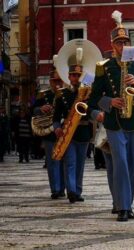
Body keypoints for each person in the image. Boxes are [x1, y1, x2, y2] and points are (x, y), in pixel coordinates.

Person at [88, 10, 134, 221]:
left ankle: (128, 202)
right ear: (112, 45)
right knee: (120, 162)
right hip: (115, 122)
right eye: (119, 43)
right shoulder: (105, 68)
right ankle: (123, 207)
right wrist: (110, 102)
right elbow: (93, 99)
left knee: (133, 165)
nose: (122, 46)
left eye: (125, 42)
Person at [53, 52, 93, 204]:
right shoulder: (61, 94)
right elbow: (56, 117)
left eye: (79, 75)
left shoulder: (87, 93)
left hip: (83, 132)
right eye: (74, 75)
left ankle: (77, 190)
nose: (76, 78)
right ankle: (71, 191)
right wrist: (56, 127)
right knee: (70, 162)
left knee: (80, 164)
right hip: (68, 133)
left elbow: (90, 112)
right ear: (69, 77)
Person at [33, 70, 65, 198]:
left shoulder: (65, 94)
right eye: (54, 81)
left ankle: (63, 188)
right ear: (50, 82)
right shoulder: (43, 95)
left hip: (63, 132)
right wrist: (40, 109)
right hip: (49, 133)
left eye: (59, 81)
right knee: (52, 162)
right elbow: (33, 110)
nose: (57, 84)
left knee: (64, 162)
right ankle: (55, 189)